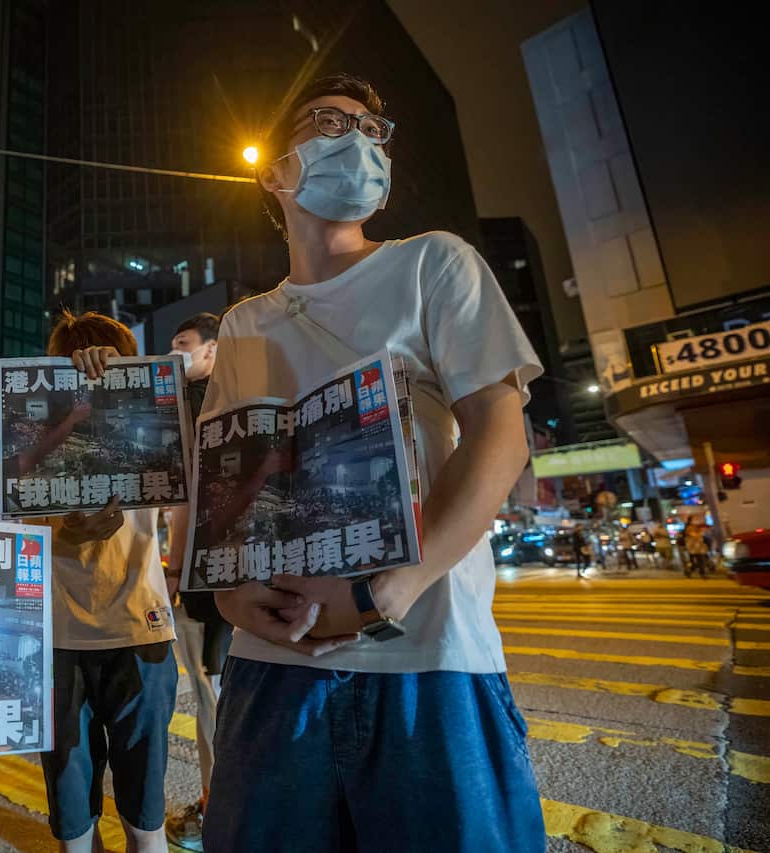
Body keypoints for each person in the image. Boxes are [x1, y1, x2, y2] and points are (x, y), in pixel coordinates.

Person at [196, 74, 546, 852]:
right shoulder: (245, 323)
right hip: (273, 667)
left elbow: (500, 431)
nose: (358, 140)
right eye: (329, 122)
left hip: (430, 658)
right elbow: (227, 493)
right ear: (274, 170)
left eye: (373, 130)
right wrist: (230, 599)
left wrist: (396, 582)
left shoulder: (434, 265)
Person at [38, 310, 177, 853]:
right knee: (74, 827)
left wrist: (128, 385)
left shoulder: (145, 421)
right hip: (55, 638)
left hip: (140, 631)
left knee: (145, 820)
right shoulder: (34, 429)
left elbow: (180, 474)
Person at [161, 312, 229, 852]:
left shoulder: (207, 404)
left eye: (183, 344)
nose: (173, 352)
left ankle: (219, 810)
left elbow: (188, 496)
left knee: (215, 700)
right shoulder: (191, 402)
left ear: (212, 350)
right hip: (211, 580)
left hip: (209, 584)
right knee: (216, 699)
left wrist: (173, 567)